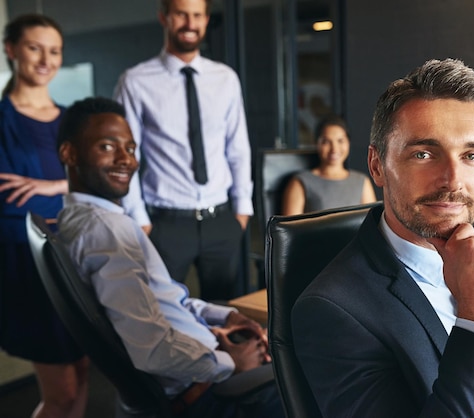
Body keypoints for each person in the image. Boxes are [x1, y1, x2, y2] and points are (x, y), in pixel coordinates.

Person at [291, 59, 474, 417]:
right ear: (377, 166)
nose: (453, 179)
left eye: (471, 155)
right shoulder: (333, 310)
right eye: (423, 154)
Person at [56, 97, 283, 418]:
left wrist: (224, 317)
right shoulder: (107, 230)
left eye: (131, 149)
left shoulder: (79, 219)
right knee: (326, 373)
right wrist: (232, 363)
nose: (125, 160)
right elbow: (152, 348)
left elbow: (166, 301)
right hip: (207, 393)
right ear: (69, 153)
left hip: (202, 358)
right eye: (107, 147)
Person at [113, 0, 253, 301]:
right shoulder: (136, 81)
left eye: (197, 15)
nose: (190, 23)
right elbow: (126, 157)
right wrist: (140, 219)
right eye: (181, 14)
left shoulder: (225, 79)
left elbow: (237, 147)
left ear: (205, 20)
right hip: (165, 225)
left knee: (229, 314)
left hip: (221, 221)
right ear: (164, 17)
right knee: (164, 314)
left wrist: (242, 210)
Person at [0, 14, 89, 418]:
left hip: (74, 254)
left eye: (54, 51)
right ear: (11, 50)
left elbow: (96, 181)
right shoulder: (2, 120)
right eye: (35, 47)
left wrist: (53, 187)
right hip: (24, 260)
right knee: (62, 391)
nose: (45, 59)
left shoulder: (73, 120)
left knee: (83, 372)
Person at [282, 114, 377, 216]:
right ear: (316, 143)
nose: (334, 149)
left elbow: (372, 225)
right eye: (326, 142)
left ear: (348, 143)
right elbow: (290, 230)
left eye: (340, 141)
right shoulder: (300, 182)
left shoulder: (362, 181)